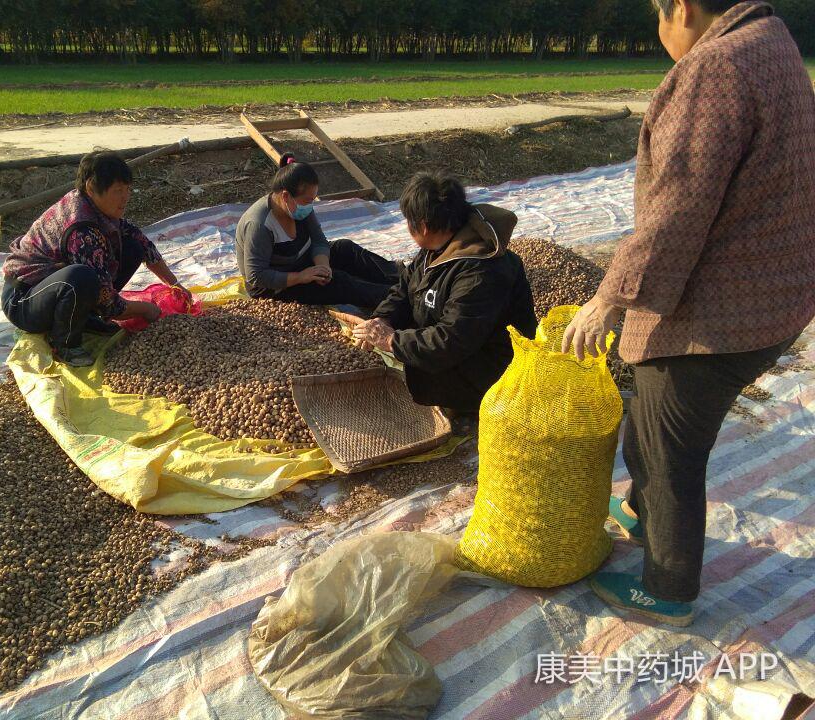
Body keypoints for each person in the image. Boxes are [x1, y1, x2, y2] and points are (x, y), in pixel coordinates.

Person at [561, 0, 815, 626]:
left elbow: (676, 210)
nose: (660, 30)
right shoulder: (771, 37)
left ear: (680, 7)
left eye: (658, 14)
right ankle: (644, 512)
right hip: (776, 293)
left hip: (719, 314)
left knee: (673, 448)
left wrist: (608, 297)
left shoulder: (716, 67)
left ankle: (669, 587)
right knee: (646, 412)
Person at [352, 172, 537, 417]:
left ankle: (459, 407)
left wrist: (391, 341)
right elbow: (405, 288)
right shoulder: (438, 246)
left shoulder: (481, 270)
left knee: (405, 387)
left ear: (424, 226)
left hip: (490, 374)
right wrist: (382, 319)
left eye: (409, 221)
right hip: (456, 352)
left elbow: (452, 340)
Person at [1, 152, 185, 367]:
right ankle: (66, 344)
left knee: (132, 247)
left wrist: (175, 285)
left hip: (53, 291)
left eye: (127, 189)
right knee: (82, 276)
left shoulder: (100, 210)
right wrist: (145, 309)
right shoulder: (81, 229)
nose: (126, 197)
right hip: (24, 301)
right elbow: (108, 302)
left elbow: (142, 244)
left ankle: (84, 318)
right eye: (118, 191)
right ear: (91, 188)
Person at [234, 153, 400, 308]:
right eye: (307, 201)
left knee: (344, 248)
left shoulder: (298, 207)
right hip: (273, 287)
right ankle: (397, 300)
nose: (310, 206)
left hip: (300, 264)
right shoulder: (259, 224)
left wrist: (323, 267)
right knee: (340, 282)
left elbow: (319, 240)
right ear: (285, 196)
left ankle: (404, 278)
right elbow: (256, 276)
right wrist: (301, 277)